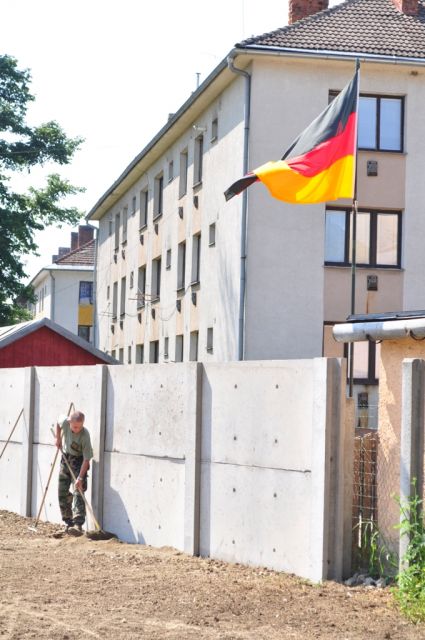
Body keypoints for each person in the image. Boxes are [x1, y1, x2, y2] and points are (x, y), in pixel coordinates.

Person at [55, 411, 93, 533]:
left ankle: (78, 525)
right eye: (75, 427)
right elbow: (58, 422)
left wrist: (80, 478)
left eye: (80, 427)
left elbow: (86, 459)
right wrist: (58, 438)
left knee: (78, 491)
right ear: (69, 422)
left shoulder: (85, 435)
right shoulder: (65, 422)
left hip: (79, 462)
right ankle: (69, 522)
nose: (77, 429)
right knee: (62, 491)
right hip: (66, 458)